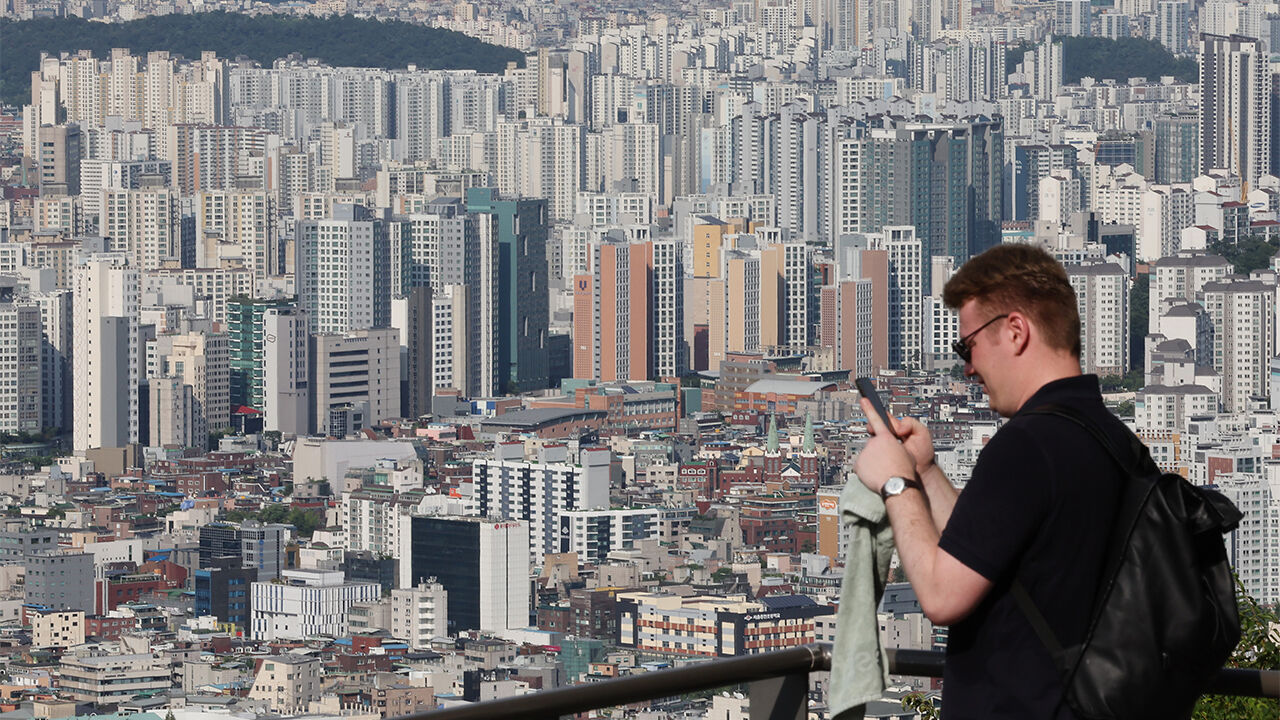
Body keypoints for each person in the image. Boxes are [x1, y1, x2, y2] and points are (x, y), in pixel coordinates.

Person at [852, 244, 1132, 719]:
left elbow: (941, 596)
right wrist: (924, 470)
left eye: (968, 347)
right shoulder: (1111, 438)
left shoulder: (1026, 446)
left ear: (1016, 331)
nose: (967, 367)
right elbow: (983, 549)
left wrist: (896, 484)